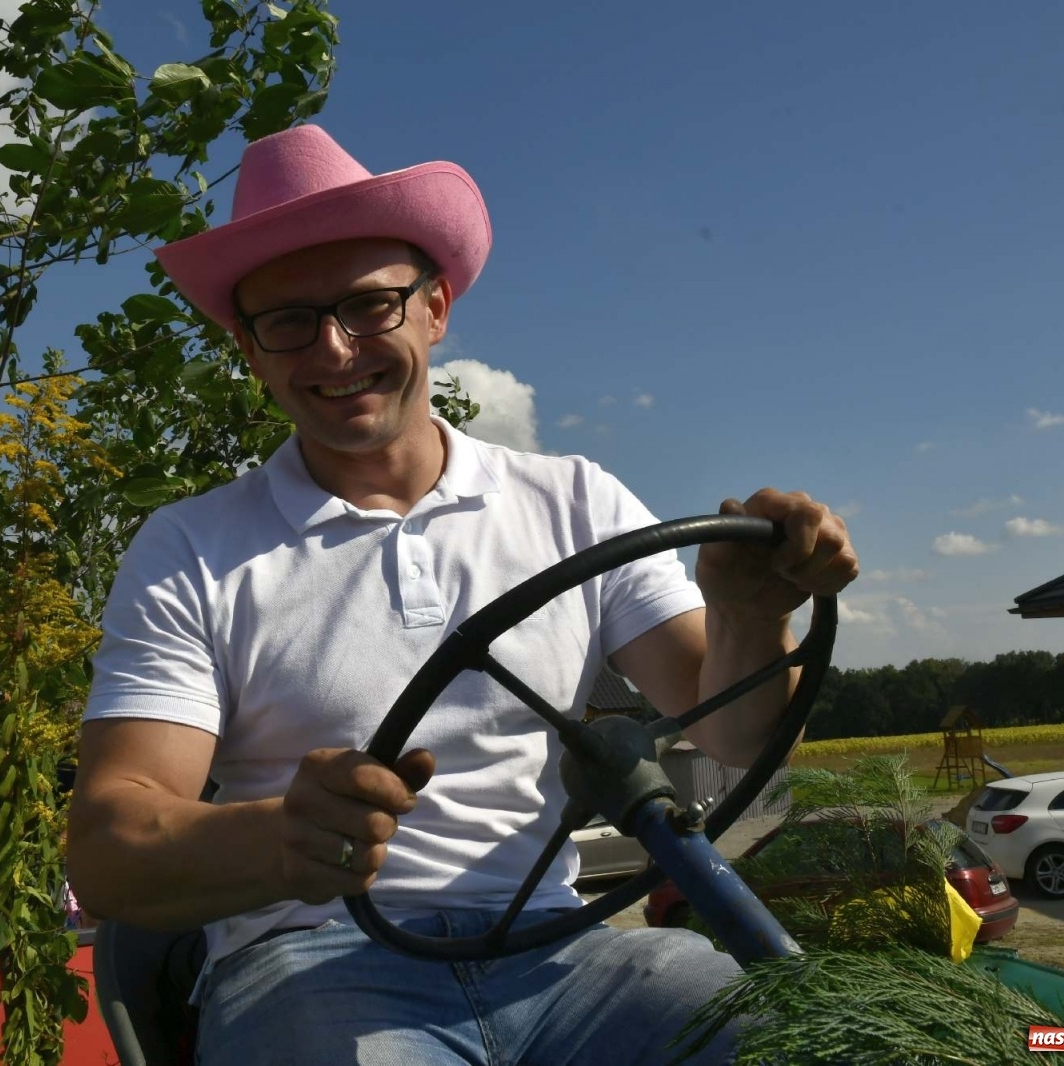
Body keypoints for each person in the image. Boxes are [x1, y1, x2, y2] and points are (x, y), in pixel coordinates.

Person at [68, 125, 859, 1065]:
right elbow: (111, 847)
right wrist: (284, 838)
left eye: (370, 306)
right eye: (287, 321)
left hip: (559, 950)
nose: (333, 348)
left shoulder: (574, 499)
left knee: (794, 1038)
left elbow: (735, 734)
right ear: (250, 350)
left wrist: (749, 613)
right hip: (310, 960)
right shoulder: (192, 546)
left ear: (435, 307)